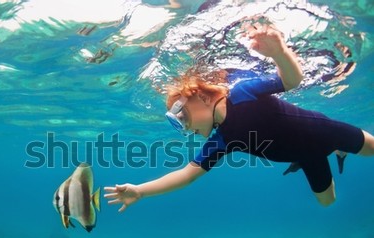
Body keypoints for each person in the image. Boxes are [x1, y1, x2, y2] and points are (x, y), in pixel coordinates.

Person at [104, 23, 374, 211]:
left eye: (182, 117)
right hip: (305, 155)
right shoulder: (221, 139)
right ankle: (328, 154)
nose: (186, 128)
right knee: (328, 202)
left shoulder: (243, 92)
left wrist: (279, 53)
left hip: (324, 132)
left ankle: (338, 147)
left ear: (201, 96)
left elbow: (291, 81)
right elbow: (187, 175)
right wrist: (140, 190)